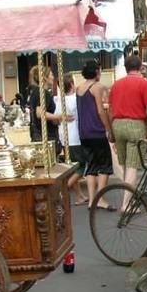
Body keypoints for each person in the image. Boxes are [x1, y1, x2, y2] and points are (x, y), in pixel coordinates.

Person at [108, 54, 147, 210]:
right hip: (135, 124)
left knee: (125, 164)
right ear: (140, 67)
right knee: (132, 166)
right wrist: (145, 120)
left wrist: (111, 131)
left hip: (117, 124)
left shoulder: (116, 85)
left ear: (126, 68)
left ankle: (129, 198)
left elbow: (110, 110)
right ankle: (126, 204)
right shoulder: (144, 83)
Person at [76, 60, 112, 208]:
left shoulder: (79, 88)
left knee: (91, 167)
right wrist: (108, 128)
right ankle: (100, 199)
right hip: (96, 131)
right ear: (96, 72)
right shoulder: (97, 87)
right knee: (104, 165)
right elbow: (100, 111)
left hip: (84, 132)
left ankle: (91, 200)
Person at [54, 74, 86, 205]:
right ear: (72, 85)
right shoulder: (75, 99)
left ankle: (79, 196)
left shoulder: (59, 100)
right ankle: (62, 190)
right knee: (82, 166)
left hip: (64, 136)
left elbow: (56, 119)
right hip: (75, 137)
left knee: (72, 167)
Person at [28, 65, 61, 150]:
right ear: (45, 78)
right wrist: (58, 116)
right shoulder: (44, 93)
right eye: (51, 75)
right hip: (47, 135)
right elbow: (39, 113)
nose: (53, 78)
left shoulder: (35, 92)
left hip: (39, 132)